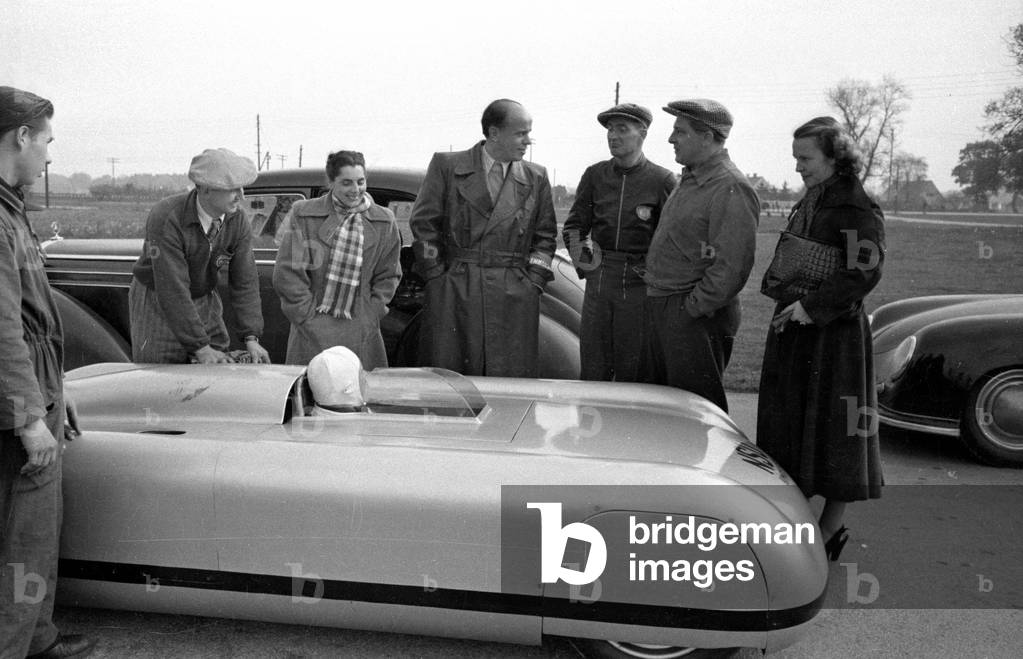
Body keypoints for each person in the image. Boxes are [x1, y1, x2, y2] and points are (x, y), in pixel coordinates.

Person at [756, 116, 885, 561]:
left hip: (832, 336)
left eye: (806, 159)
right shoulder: (817, 198)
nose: (798, 168)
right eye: (796, 159)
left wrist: (811, 308)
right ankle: (797, 527)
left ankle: (828, 531)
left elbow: (863, 270)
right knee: (796, 428)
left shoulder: (852, 205)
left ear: (834, 157)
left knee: (835, 435)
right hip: (800, 329)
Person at [0, 86, 95, 659]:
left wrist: (56, 393)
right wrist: (31, 416)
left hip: (34, 387)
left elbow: (35, 318)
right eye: (47, 142)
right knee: (24, 536)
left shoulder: (12, 209)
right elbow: (4, 328)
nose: (50, 157)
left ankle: (36, 638)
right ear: (21, 137)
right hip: (17, 400)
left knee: (35, 532)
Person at [410, 99, 557, 377]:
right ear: (493, 133)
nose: (528, 141)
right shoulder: (447, 166)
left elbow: (546, 237)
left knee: (510, 382)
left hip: (514, 295)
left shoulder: (536, 177)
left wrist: (534, 280)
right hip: (456, 291)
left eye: (528, 133)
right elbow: (423, 225)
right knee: (451, 382)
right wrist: (437, 278)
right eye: (520, 133)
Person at [641, 98, 759, 411]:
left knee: (695, 414)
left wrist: (691, 309)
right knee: (665, 412)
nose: (670, 138)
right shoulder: (691, 179)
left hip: (694, 315)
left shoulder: (729, 186)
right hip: (669, 308)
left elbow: (732, 267)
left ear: (706, 137)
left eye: (679, 131)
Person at [562, 103, 676, 381]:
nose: (613, 136)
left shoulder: (662, 179)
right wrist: (586, 268)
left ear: (643, 133)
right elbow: (575, 227)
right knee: (594, 366)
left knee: (635, 369)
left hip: (640, 285)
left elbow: (671, 239)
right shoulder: (595, 175)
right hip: (599, 282)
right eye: (610, 130)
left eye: (622, 129)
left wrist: (653, 276)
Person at [129, 148, 270, 365]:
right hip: (158, 300)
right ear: (204, 190)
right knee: (160, 373)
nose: (241, 196)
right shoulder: (166, 217)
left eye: (241, 187)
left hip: (203, 297)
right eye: (232, 189)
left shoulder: (237, 219)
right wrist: (200, 347)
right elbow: (172, 288)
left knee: (218, 369)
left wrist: (251, 337)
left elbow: (245, 281)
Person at [273, 150, 401, 368]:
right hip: (312, 329)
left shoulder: (384, 220)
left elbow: (389, 274)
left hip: (361, 327)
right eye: (346, 183)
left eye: (361, 182)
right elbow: (289, 273)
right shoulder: (304, 215)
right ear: (331, 182)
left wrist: (372, 312)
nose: (356, 190)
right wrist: (306, 317)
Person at [306, 346, 368, 414]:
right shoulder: (364, 423)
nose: (365, 377)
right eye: (361, 372)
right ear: (349, 386)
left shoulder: (315, 418)